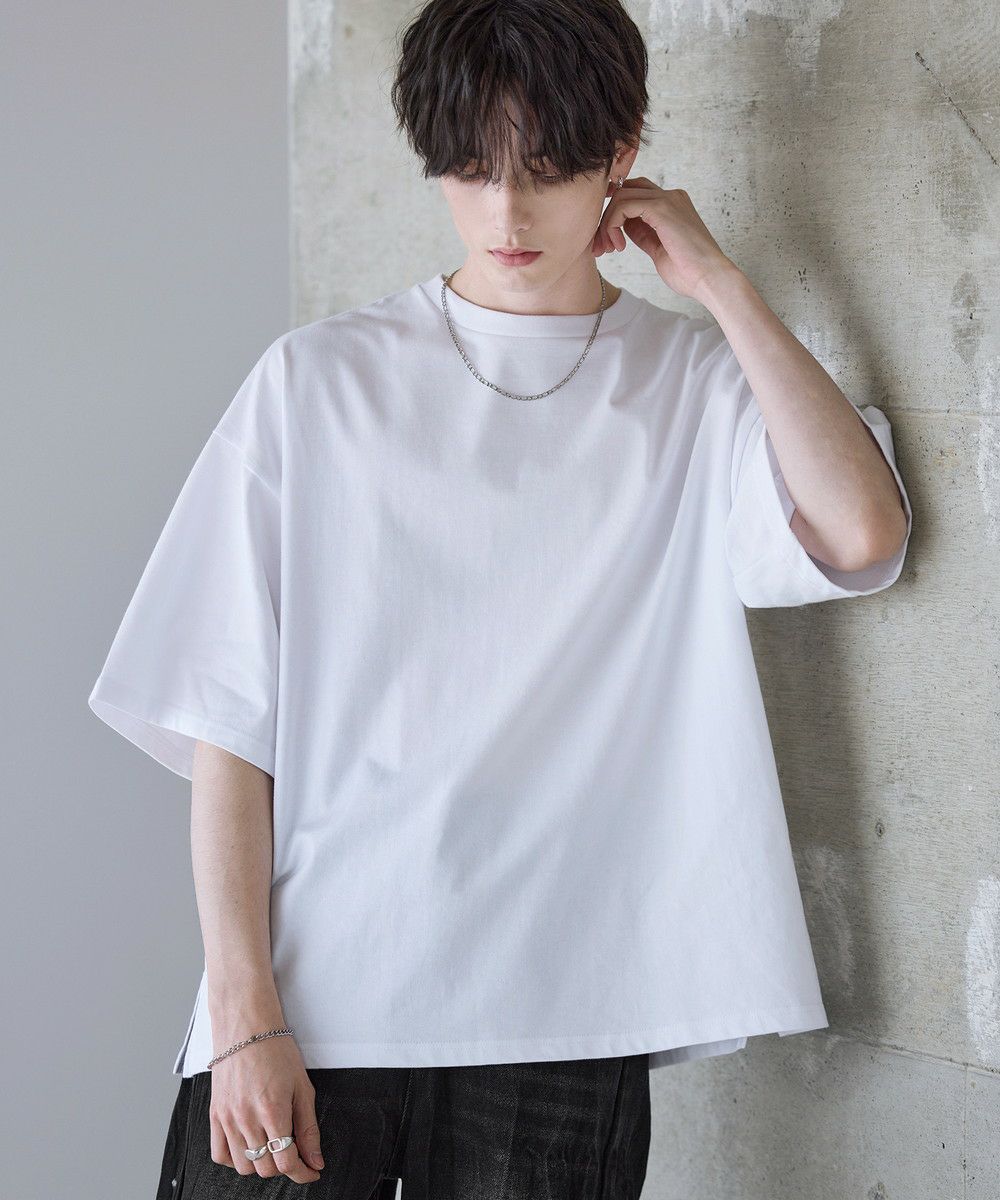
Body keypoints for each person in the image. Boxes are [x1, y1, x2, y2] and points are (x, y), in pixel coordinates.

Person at [88, 1, 913, 1197]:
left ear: (622, 153)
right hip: (318, 998)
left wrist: (722, 286)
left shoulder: (692, 385)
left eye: (549, 167)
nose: (508, 213)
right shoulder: (318, 384)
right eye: (472, 169)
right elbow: (229, 730)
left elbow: (861, 529)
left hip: (566, 1015)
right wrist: (242, 1012)